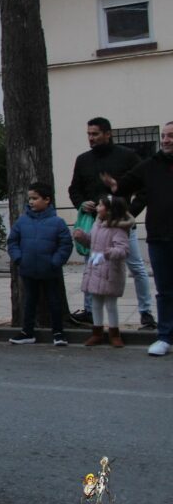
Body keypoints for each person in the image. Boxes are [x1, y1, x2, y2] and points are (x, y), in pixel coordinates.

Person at [68, 117, 153, 329]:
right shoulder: (83, 159)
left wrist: (128, 212)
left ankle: (146, 313)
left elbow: (145, 188)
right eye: (88, 134)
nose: (91, 138)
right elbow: (74, 189)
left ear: (108, 134)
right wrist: (81, 203)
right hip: (95, 227)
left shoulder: (128, 156)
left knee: (136, 267)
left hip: (123, 227)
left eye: (95, 134)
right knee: (92, 265)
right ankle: (89, 311)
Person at [102, 121, 173, 356]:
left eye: (170, 136)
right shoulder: (151, 165)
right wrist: (115, 185)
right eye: (163, 136)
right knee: (164, 290)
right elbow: (125, 184)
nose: (165, 140)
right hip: (160, 237)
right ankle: (165, 337)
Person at [7, 182, 74, 346]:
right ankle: (27, 331)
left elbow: (65, 244)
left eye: (35, 198)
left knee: (54, 302)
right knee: (29, 302)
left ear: (47, 200)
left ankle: (58, 332)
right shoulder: (22, 221)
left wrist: (55, 262)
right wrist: (19, 258)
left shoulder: (57, 222)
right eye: (30, 198)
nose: (31, 202)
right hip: (28, 269)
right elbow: (12, 241)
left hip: (50, 271)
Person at [73, 195, 131, 348]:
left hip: (111, 271)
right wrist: (82, 237)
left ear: (109, 210)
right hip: (96, 268)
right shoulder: (96, 225)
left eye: (100, 205)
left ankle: (114, 333)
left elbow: (124, 250)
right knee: (95, 303)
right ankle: (97, 333)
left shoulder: (118, 229)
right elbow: (91, 241)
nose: (97, 207)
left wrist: (110, 252)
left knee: (111, 304)